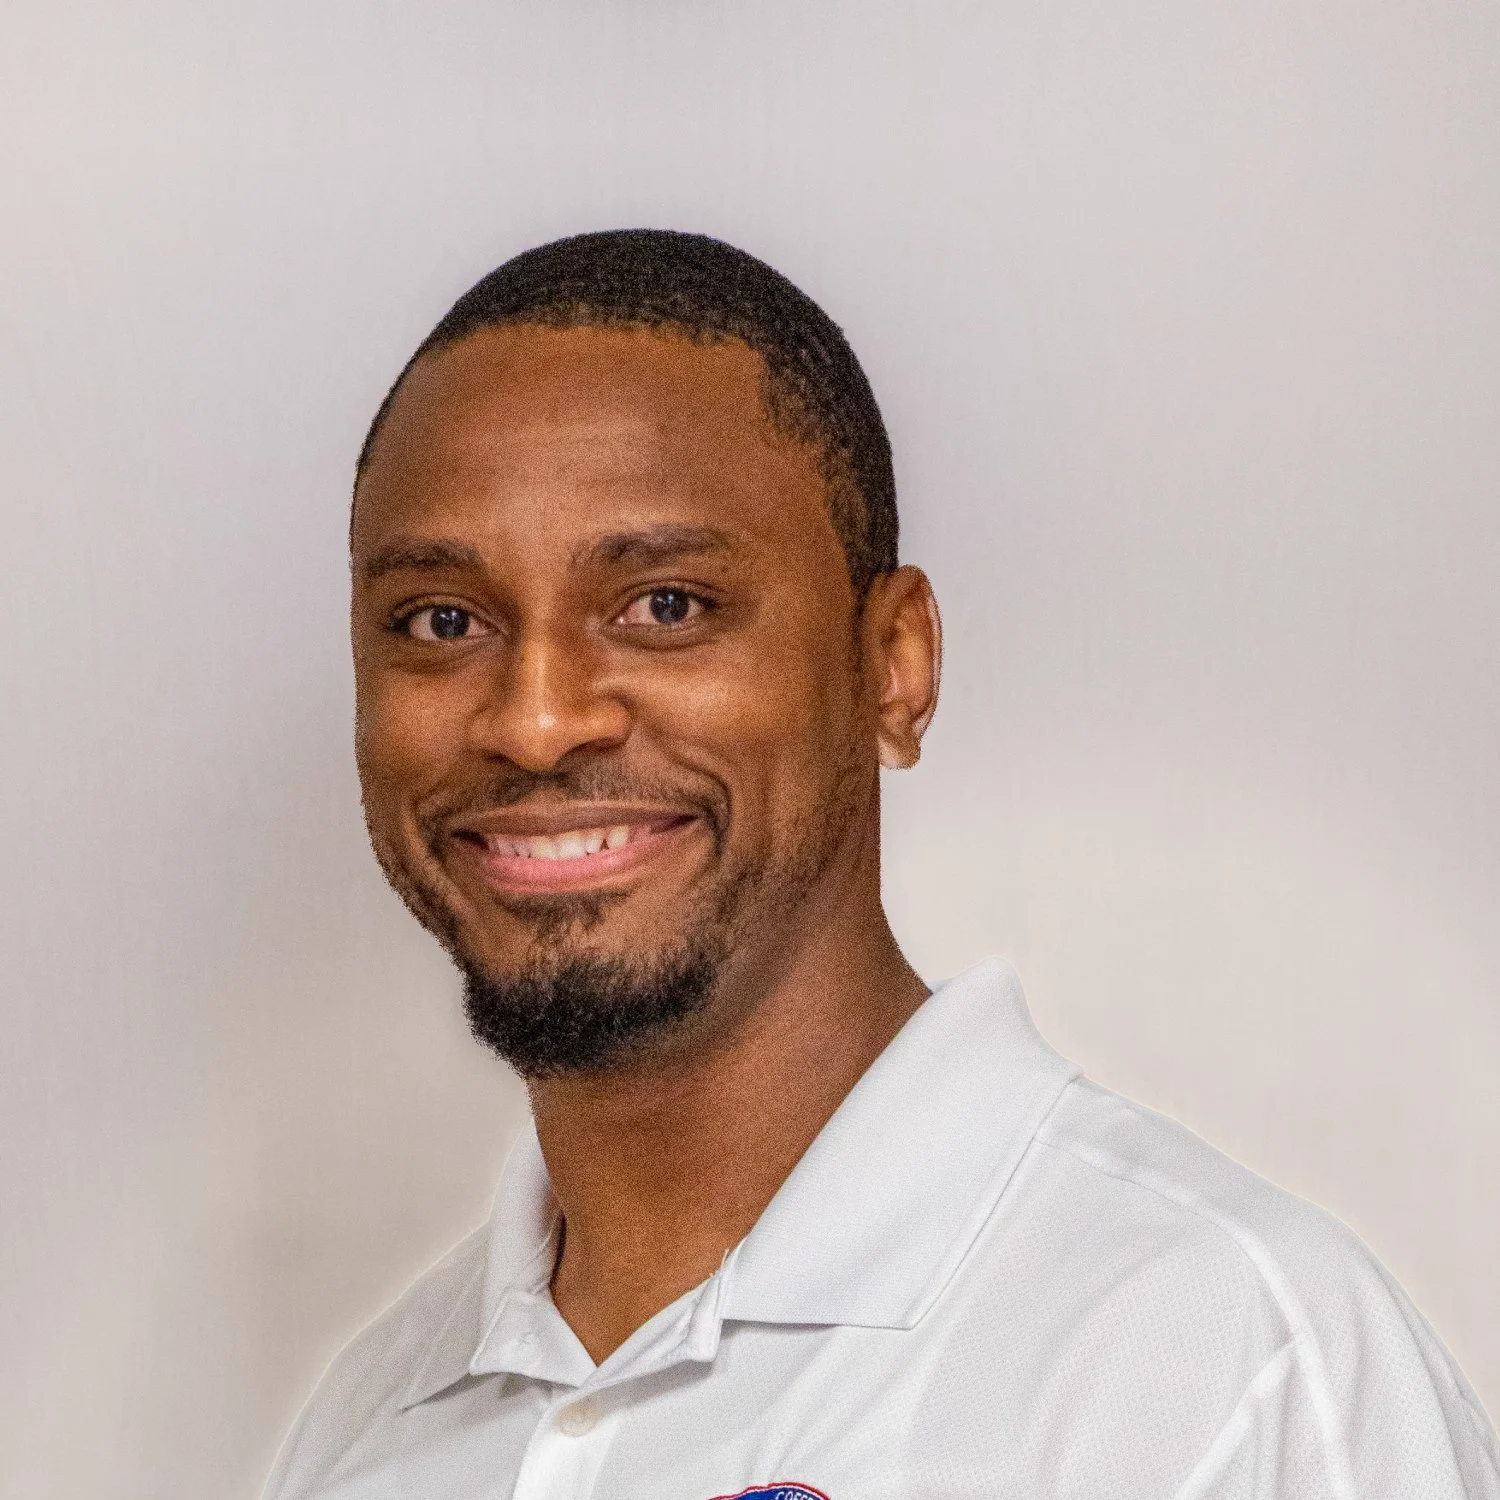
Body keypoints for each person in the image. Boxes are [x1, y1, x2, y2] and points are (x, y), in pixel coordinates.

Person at [263, 229, 1498, 1500]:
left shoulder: (1232, 1368)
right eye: (442, 621)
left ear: (894, 668)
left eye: (667, 605)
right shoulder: (366, 1435)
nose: (534, 720)